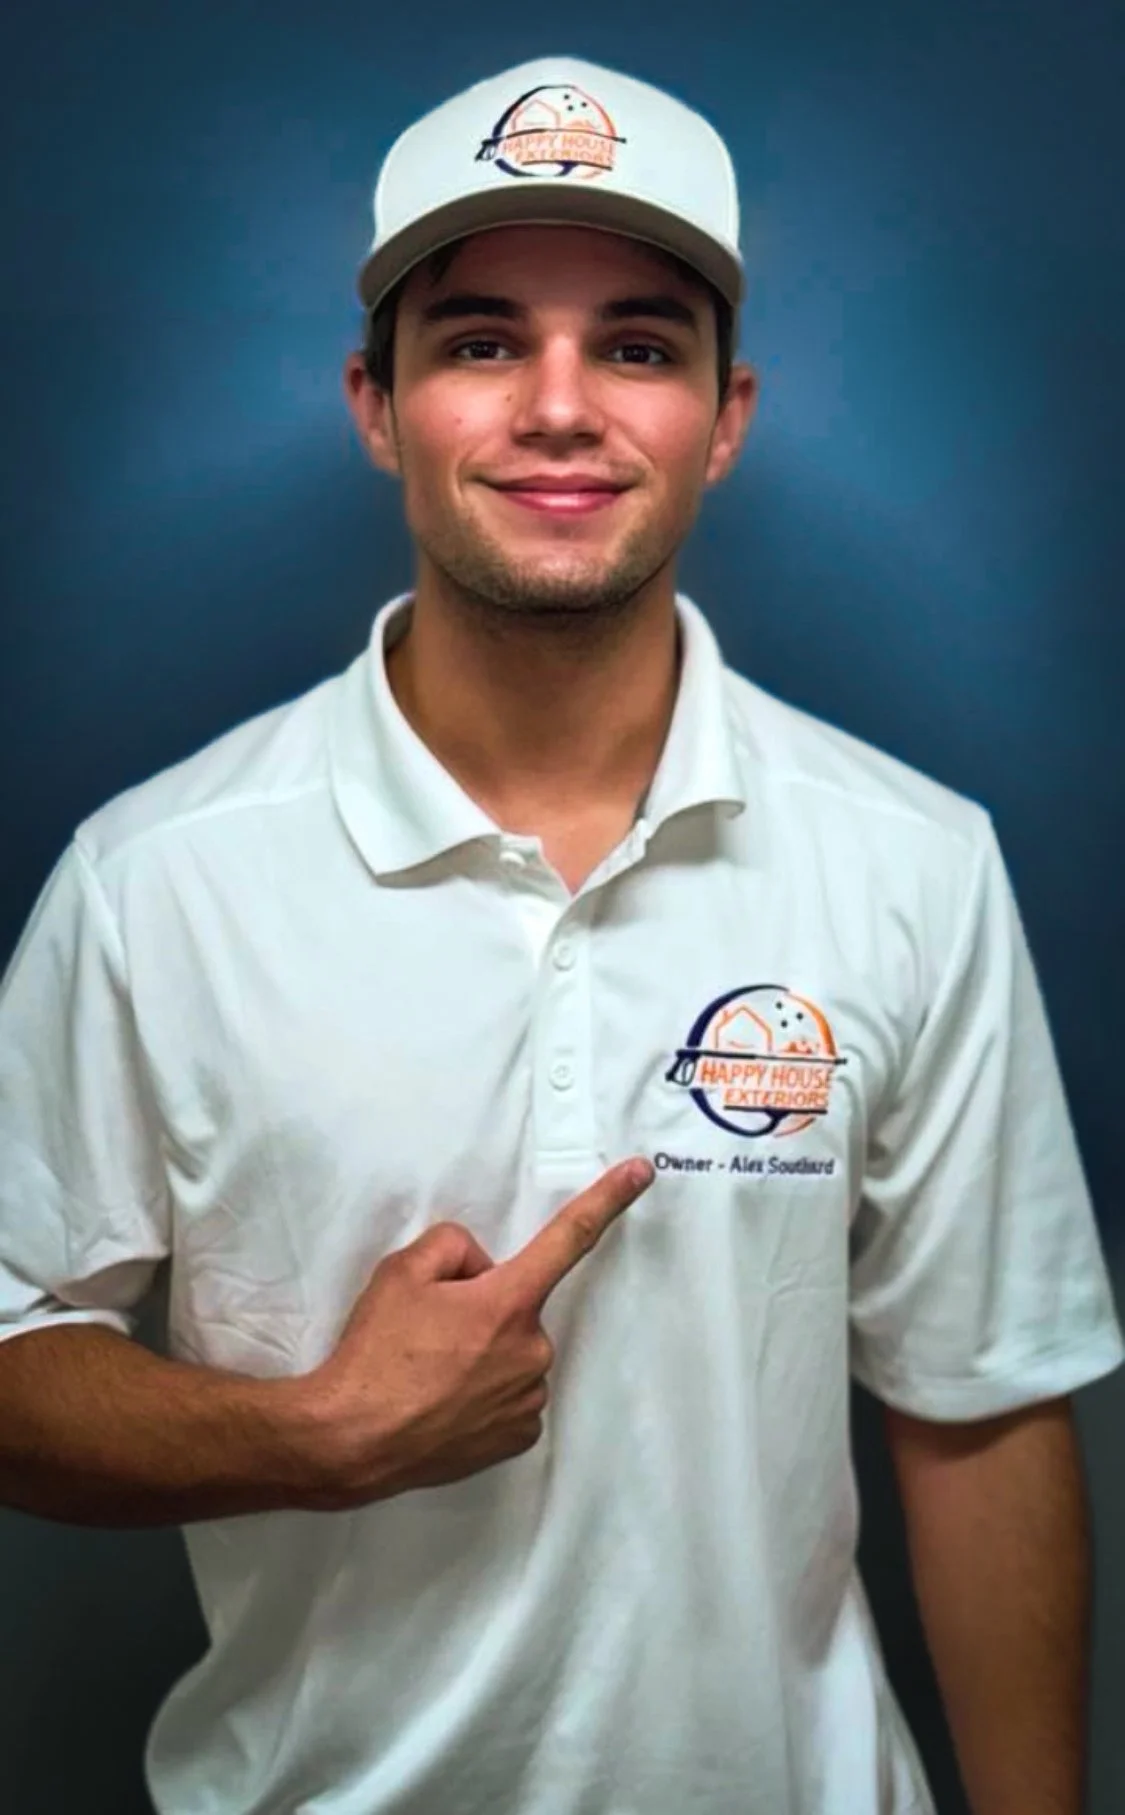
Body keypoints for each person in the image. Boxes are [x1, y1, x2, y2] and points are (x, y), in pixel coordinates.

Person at [0, 51, 1121, 1815]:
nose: (559, 404)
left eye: (639, 345)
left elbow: (978, 1411)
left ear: (725, 416)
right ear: (376, 403)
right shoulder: (157, 881)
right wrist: (315, 1435)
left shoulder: (915, 861)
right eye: (479, 340)